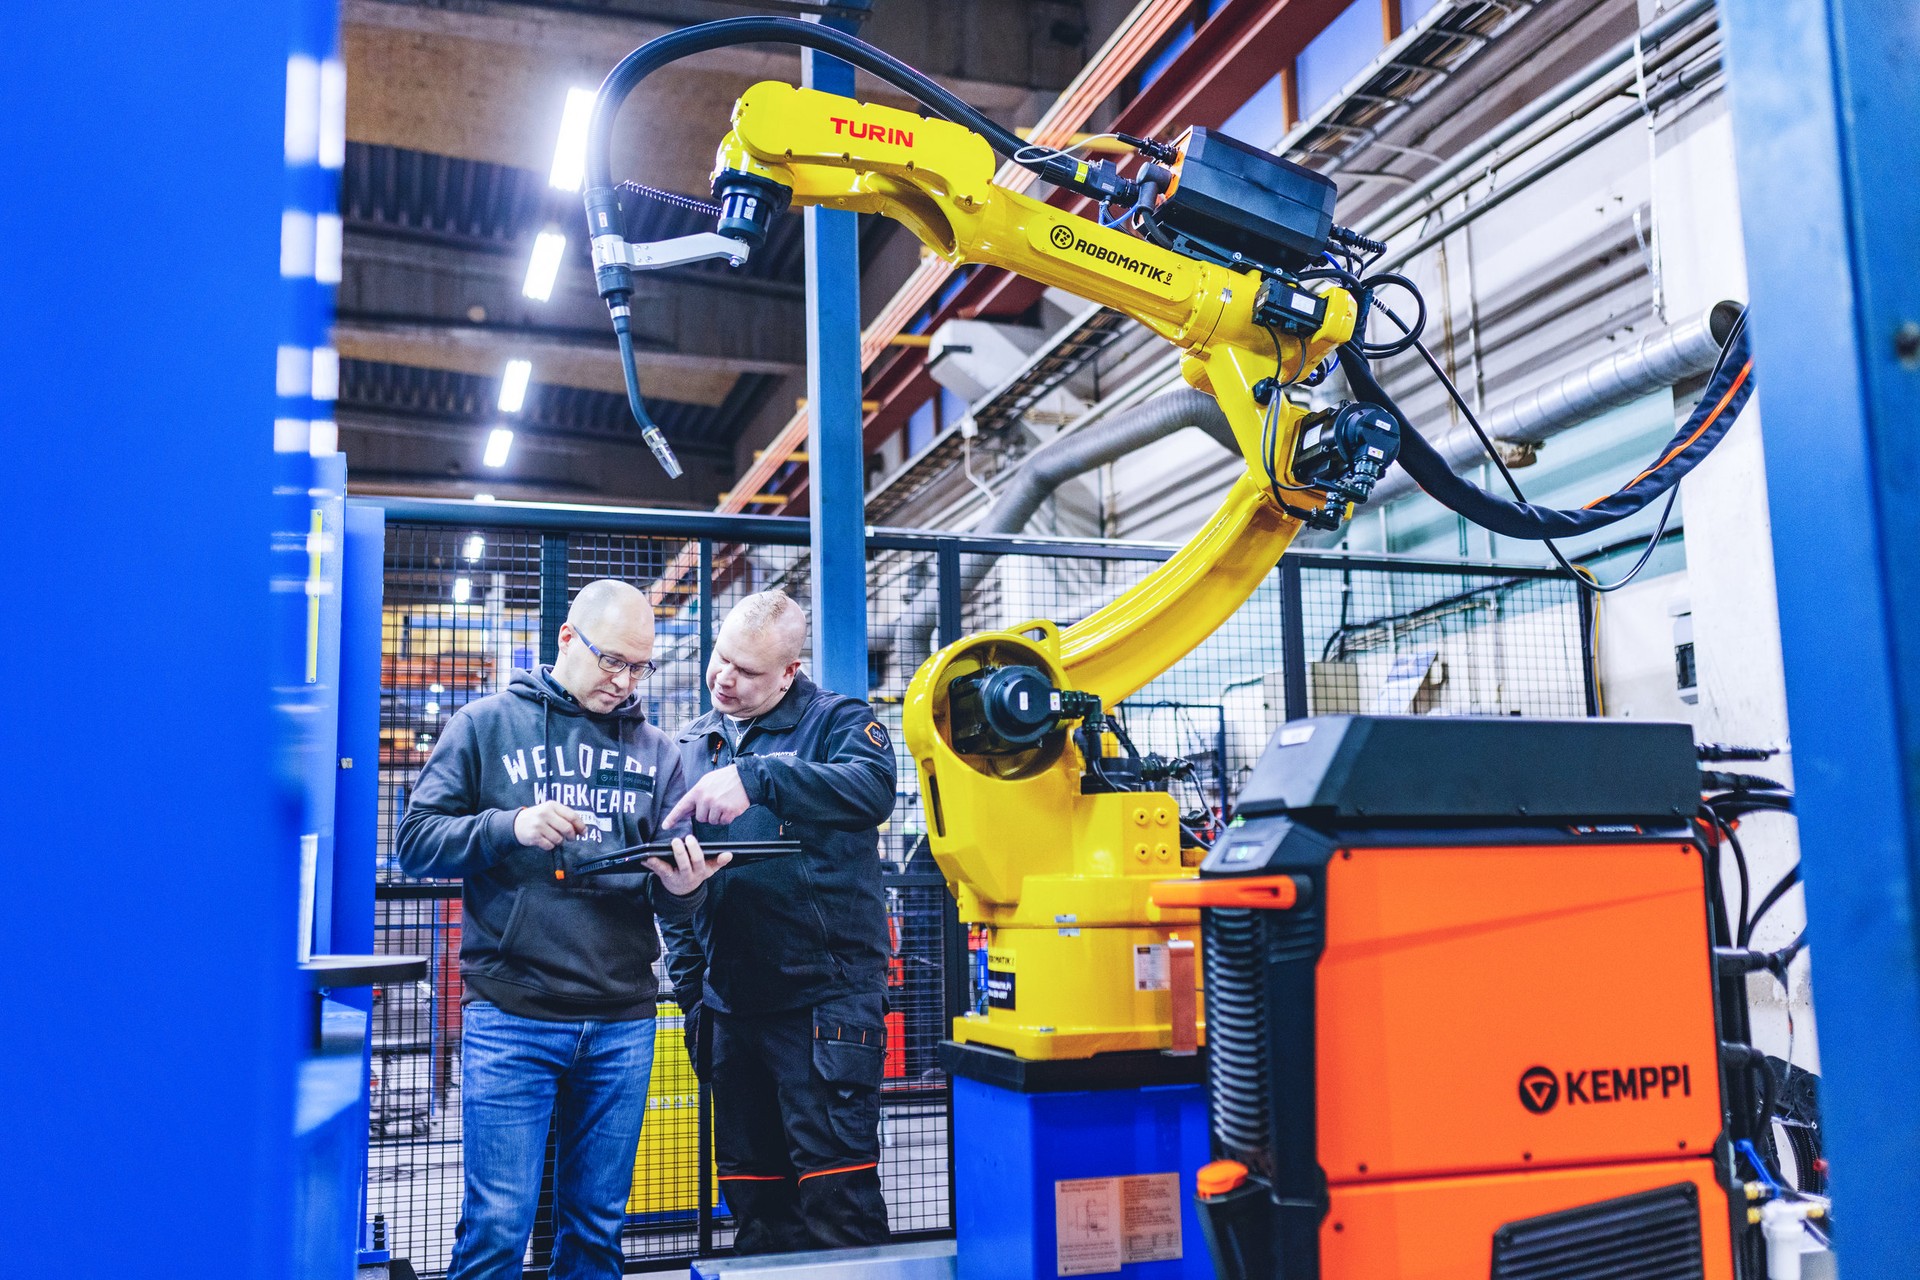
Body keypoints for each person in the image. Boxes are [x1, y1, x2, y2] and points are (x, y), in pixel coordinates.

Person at [396, 579, 729, 1280]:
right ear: (567, 639)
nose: (625, 681)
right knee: (497, 1228)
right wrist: (509, 826)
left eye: (640, 667)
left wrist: (685, 890)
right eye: (613, 661)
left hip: (621, 1020)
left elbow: (669, 899)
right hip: (514, 1013)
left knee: (596, 1231)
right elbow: (416, 841)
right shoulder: (487, 725)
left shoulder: (658, 752)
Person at [662, 590, 897, 1253]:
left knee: (836, 1201)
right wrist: (693, 1000)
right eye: (720, 660)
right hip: (729, 1010)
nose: (724, 679)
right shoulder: (692, 743)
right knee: (758, 1207)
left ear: (790, 672)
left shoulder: (838, 722)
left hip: (823, 1008)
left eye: (747, 671)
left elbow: (872, 789)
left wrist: (759, 776)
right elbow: (678, 893)